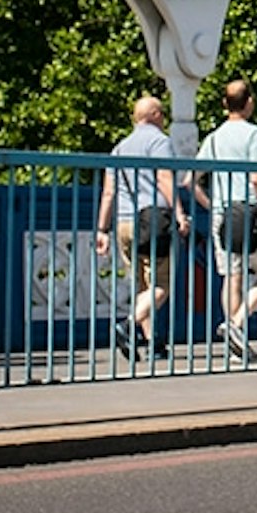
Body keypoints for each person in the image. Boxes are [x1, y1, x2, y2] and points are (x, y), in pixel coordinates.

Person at [96, 95, 188, 362]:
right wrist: (180, 214)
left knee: (140, 285)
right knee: (162, 284)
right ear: (157, 115)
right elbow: (164, 178)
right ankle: (127, 324)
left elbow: (109, 192)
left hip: (124, 222)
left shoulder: (120, 147)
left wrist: (102, 229)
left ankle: (153, 343)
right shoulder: (159, 141)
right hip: (154, 219)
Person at [193, 79, 257, 363]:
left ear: (225, 104)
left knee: (231, 276)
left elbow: (192, 180)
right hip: (249, 208)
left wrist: (212, 205)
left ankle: (234, 341)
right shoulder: (256, 134)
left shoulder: (213, 137)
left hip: (222, 212)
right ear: (249, 102)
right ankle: (236, 326)